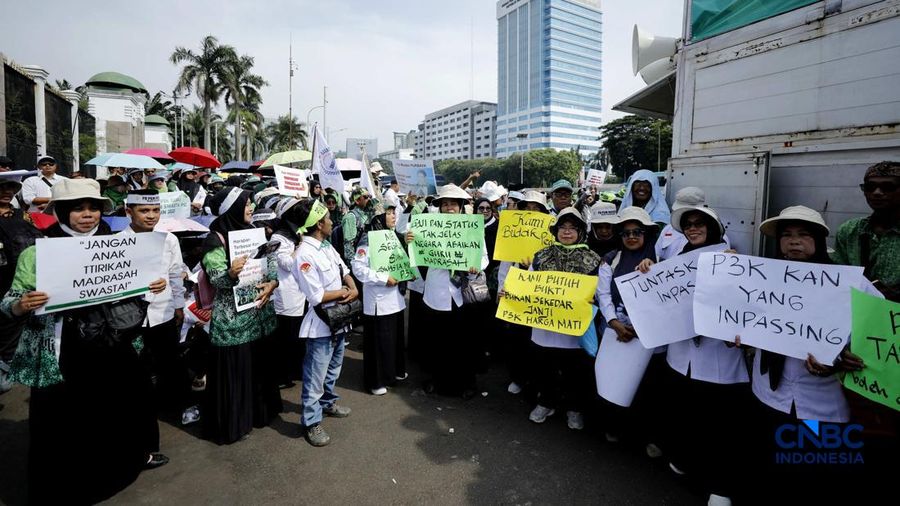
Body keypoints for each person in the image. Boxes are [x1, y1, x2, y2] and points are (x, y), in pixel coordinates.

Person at [2, 178, 168, 504]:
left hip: (113, 344)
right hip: (63, 348)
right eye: (78, 208)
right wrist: (22, 304)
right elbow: (8, 302)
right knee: (63, 422)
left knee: (116, 409)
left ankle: (122, 466)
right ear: (61, 212)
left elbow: (139, 289)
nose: (88, 215)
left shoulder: (120, 245)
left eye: (93, 208)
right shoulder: (38, 252)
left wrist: (153, 285)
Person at [744, 205, 869, 503]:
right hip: (769, 396)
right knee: (772, 468)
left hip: (823, 405)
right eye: (786, 235)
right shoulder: (761, 278)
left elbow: (878, 336)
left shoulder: (850, 283)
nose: (794, 241)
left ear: (818, 239)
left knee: (814, 475)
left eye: (803, 234)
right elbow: (743, 318)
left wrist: (847, 356)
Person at [647, 200, 748, 506]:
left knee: (718, 425)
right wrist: (648, 270)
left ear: (714, 228)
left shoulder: (732, 260)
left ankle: (721, 485)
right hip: (681, 358)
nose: (692, 229)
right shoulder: (677, 260)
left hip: (718, 358)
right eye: (688, 225)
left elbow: (746, 309)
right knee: (685, 413)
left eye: (699, 224)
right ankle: (685, 460)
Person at [200, 186, 281, 444]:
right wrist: (232, 274)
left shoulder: (254, 234)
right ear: (231, 208)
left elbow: (270, 266)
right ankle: (235, 424)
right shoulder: (215, 240)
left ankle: (259, 414)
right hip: (233, 323)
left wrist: (273, 284)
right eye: (246, 204)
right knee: (236, 373)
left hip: (258, 315)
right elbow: (216, 278)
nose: (251, 209)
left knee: (258, 369)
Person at [521, 207, 601, 430]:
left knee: (574, 370)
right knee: (545, 367)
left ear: (580, 232)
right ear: (555, 231)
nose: (567, 232)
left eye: (572, 228)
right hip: (544, 326)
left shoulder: (593, 259)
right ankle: (545, 402)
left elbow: (600, 290)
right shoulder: (541, 255)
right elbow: (528, 283)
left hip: (573, 330)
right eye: (562, 228)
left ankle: (574, 408)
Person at [407, 184, 488, 398]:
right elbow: (416, 257)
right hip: (435, 291)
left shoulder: (472, 228)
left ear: (461, 206)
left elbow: (484, 257)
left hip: (461, 293)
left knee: (462, 341)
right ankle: (433, 379)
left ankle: (465, 382)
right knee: (435, 340)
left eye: (453, 203)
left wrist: (475, 266)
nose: (449, 207)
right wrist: (411, 242)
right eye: (445, 203)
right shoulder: (429, 226)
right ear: (440, 207)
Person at [595, 206, 662, 450]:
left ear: (647, 234)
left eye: (637, 232)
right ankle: (614, 427)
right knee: (614, 381)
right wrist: (614, 323)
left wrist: (655, 267)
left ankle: (642, 432)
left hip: (649, 338)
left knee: (646, 385)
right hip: (616, 333)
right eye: (626, 233)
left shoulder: (660, 259)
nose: (632, 237)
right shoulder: (610, 259)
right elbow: (603, 294)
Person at [292, 199, 358, 446]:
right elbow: (316, 296)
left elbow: (344, 269)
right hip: (321, 324)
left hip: (340, 319)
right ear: (319, 224)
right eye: (329, 218)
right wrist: (345, 292)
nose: (332, 221)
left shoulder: (326, 246)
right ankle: (311, 422)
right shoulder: (304, 254)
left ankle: (328, 403)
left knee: (333, 368)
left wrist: (352, 288)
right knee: (315, 375)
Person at [120, 190, 187, 414]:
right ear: (129, 211)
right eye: (144, 210)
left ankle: (173, 406)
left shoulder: (169, 239)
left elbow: (176, 274)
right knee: (135, 367)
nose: (151, 215)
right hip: (129, 317)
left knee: (169, 362)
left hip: (164, 311)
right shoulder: (116, 243)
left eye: (156, 210)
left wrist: (179, 305)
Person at [497, 190, 550, 395]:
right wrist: (503, 290)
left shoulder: (550, 236)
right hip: (515, 298)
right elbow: (504, 267)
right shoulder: (513, 232)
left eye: (536, 208)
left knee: (537, 344)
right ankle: (518, 378)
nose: (531, 212)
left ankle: (537, 382)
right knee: (517, 340)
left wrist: (531, 268)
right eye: (527, 208)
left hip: (539, 298)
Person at [351, 203, 407, 395]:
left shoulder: (393, 236)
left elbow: (401, 262)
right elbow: (358, 269)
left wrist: (410, 273)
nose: (393, 216)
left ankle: (394, 373)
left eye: (394, 213)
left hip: (396, 300)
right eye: (389, 213)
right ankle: (376, 381)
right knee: (379, 343)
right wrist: (383, 279)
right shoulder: (368, 239)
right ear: (378, 217)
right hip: (379, 301)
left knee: (394, 341)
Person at [832, 160, 900, 302]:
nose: (877, 193)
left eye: (887, 187)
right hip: (859, 314)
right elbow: (837, 277)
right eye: (870, 187)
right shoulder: (850, 230)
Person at [270, 197, 308, 388]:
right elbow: (287, 263)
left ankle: (297, 371)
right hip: (286, 295)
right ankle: (283, 377)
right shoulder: (278, 237)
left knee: (298, 337)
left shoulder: (296, 234)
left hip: (300, 293)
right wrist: (301, 246)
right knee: (287, 338)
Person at [655, 187, 730, 260]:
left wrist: (731, 260)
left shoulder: (722, 249)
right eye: (686, 225)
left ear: (709, 226)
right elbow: (658, 258)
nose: (692, 228)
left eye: (699, 223)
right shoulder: (668, 230)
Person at [342, 187, 375, 261]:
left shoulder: (369, 214)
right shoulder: (350, 217)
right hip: (360, 260)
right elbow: (348, 246)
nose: (369, 199)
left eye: (370, 196)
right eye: (366, 197)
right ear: (357, 200)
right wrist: (354, 266)